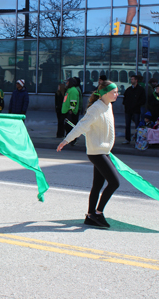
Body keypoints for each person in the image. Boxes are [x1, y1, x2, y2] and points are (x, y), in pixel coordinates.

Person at [57, 81, 120, 228]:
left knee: (97, 185)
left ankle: (90, 215)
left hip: (104, 151)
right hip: (97, 152)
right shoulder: (95, 108)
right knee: (114, 182)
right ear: (105, 93)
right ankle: (98, 213)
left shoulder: (108, 105)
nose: (117, 94)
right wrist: (66, 140)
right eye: (115, 92)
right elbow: (81, 126)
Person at [122, 75, 146, 144]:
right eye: (131, 79)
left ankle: (137, 139)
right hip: (128, 110)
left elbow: (143, 100)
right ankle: (127, 139)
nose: (131, 80)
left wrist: (136, 104)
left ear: (136, 80)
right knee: (127, 125)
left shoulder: (140, 90)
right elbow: (125, 98)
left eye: (132, 79)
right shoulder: (129, 89)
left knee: (137, 125)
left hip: (136, 110)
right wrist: (126, 105)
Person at [62, 78, 80, 145]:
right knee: (67, 126)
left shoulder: (73, 90)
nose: (66, 83)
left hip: (70, 112)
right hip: (67, 111)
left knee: (70, 127)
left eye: (67, 82)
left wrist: (71, 110)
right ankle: (69, 139)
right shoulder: (69, 90)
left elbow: (73, 101)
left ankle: (73, 140)